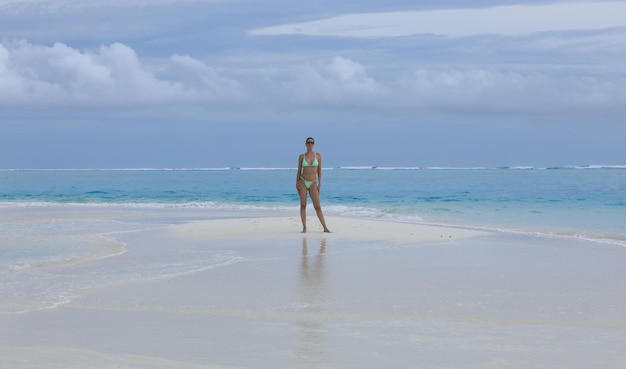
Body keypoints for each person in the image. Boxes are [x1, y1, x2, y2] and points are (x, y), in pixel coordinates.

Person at [296, 137, 331, 233]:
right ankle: (304, 227)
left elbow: (319, 171)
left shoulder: (318, 156)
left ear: (314, 144)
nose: (310, 144)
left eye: (312, 142)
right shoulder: (301, 156)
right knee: (303, 205)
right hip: (303, 182)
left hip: (313, 183)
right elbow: (299, 170)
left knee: (317, 206)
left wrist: (319, 184)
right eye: (308, 142)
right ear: (305, 144)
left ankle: (325, 228)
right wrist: (296, 183)